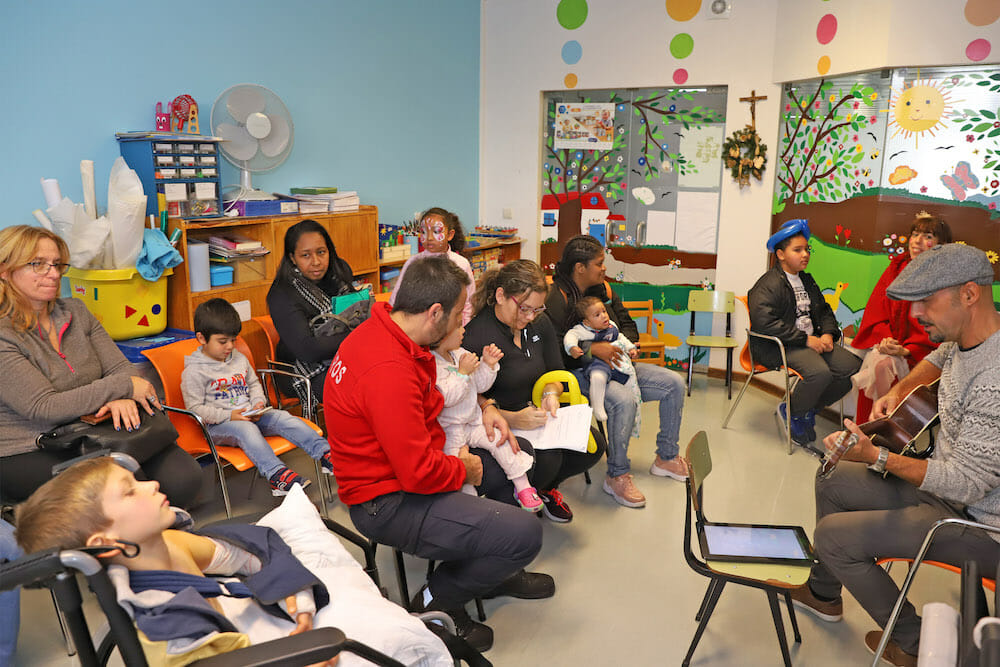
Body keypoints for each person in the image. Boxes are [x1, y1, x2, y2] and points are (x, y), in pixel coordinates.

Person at [14, 457, 452, 667]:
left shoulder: (170, 544)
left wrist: (299, 606)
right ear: (105, 542)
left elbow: (251, 551)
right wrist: (309, 657)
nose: (151, 485)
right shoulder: (169, 628)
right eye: (130, 490)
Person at [323, 255, 553, 652]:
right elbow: (418, 473)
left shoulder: (386, 330)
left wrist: (486, 409)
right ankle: (434, 600)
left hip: (412, 467)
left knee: (513, 459)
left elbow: (442, 397)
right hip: (387, 501)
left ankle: (496, 567)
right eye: (460, 313)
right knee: (525, 533)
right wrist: (465, 470)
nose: (464, 321)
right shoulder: (387, 371)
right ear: (434, 313)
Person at [789, 243, 1000, 667]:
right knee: (830, 477)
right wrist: (899, 390)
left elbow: (969, 482)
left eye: (927, 300)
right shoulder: (967, 338)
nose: (917, 313)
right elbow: (940, 358)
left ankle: (915, 641)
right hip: (945, 496)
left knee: (833, 536)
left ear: (969, 294)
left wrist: (878, 458)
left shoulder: (995, 378)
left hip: (978, 524)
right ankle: (824, 593)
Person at [0, 225, 201, 506]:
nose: (54, 273)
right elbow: (44, 407)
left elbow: (121, 367)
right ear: (5, 270)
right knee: (130, 492)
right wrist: (121, 388)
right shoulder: (4, 335)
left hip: (93, 426)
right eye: (38, 264)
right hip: (30, 446)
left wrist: (120, 396)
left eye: (57, 264)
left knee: (184, 480)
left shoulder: (76, 311)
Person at [545, 235, 687, 510]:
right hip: (579, 373)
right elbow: (556, 349)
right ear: (580, 268)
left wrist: (623, 346)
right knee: (622, 400)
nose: (604, 269)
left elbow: (628, 325)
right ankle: (617, 475)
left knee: (674, 383)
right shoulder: (557, 299)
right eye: (599, 264)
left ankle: (666, 457)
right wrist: (593, 349)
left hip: (620, 365)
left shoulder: (604, 291)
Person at [463, 259, 605, 522]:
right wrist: (512, 418)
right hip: (498, 425)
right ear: (501, 295)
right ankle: (512, 504)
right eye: (525, 309)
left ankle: (544, 489)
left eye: (537, 309)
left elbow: (555, 371)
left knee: (593, 445)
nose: (529, 317)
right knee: (548, 459)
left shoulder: (540, 324)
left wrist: (551, 394)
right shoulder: (476, 335)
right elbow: (466, 398)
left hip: (539, 417)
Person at [181, 298, 333, 496]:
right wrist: (231, 416)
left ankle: (326, 454)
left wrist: (258, 403)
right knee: (246, 429)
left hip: (251, 415)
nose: (229, 347)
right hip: (218, 426)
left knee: (283, 418)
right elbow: (195, 409)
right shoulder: (194, 371)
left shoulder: (238, 358)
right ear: (202, 338)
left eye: (233, 340)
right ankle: (276, 475)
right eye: (222, 341)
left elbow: (253, 384)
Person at [748, 219, 862, 452]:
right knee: (819, 373)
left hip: (811, 343)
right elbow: (764, 322)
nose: (805, 254)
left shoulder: (806, 280)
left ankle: (805, 409)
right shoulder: (768, 284)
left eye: (807, 249)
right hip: (781, 346)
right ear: (780, 254)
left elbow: (823, 311)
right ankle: (794, 412)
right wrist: (805, 339)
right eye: (797, 250)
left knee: (852, 367)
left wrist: (829, 334)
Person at [851, 212, 951, 422]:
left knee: (881, 366)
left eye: (928, 237)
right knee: (879, 362)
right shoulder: (897, 268)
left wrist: (908, 350)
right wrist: (886, 340)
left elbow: (942, 329)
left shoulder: (943, 278)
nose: (918, 241)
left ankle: (882, 428)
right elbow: (877, 311)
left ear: (941, 245)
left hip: (922, 354)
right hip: (892, 345)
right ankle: (870, 428)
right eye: (915, 234)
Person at [432, 329, 542, 512]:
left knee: (500, 441)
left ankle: (523, 486)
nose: (464, 330)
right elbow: (445, 398)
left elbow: (480, 387)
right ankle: (471, 509)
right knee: (460, 467)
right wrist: (462, 373)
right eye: (458, 326)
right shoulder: (432, 363)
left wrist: (488, 365)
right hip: (450, 428)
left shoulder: (461, 353)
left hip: (474, 419)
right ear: (443, 333)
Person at [266, 219, 360, 407]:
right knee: (361, 387)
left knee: (386, 371)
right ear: (292, 258)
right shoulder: (281, 294)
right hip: (300, 369)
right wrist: (358, 334)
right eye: (305, 255)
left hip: (345, 355)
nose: (316, 262)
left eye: (321, 252)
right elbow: (308, 349)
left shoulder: (340, 272)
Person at [390, 207, 476, 325]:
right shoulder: (413, 262)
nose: (429, 238)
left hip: (449, 328)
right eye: (423, 232)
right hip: (418, 327)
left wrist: (465, 329)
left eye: (436, 231)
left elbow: (468, 304)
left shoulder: (461, 263)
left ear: (450, 235)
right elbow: (395, 300)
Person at [563, 295, 640, 427]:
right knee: (598, 377)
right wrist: (572, 348)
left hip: (616, 363)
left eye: (604, 311)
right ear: (587, 322)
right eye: (597, 315)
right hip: (597, 363)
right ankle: (597, 407)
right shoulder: (582, 330)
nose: (604, 316)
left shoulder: (612, 327)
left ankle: (633, 414)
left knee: (630, 382)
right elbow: (570, 336)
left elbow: (621, 337)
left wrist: (631, 348)